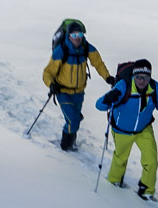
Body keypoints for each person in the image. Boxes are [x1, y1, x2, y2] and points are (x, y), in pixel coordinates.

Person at [95, 58, 158, 199]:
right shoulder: (123, 86)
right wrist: (108, 98)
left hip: (144, 129)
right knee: (120, 158)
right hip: (122, 129)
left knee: (151, 160)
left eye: (145, 78)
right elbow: (99, 106)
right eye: (138, 77)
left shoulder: (155, 88)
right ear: (134, 76)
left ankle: (146, 190)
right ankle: (114, 182)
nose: (142, 81)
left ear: (150, 77)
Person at [40, 18, 112, 151]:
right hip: (62, 92)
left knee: (74, 120)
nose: (77, 38)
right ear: (68, 36)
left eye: (80, 35)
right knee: (72, 120)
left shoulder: (87, 48)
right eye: (74, 35)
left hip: (79, 92)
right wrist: (51, 85)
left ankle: (71, 142)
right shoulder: (62, 51)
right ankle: (65, 147)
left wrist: (108, 78)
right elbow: (48, 72)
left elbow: (98, 63)